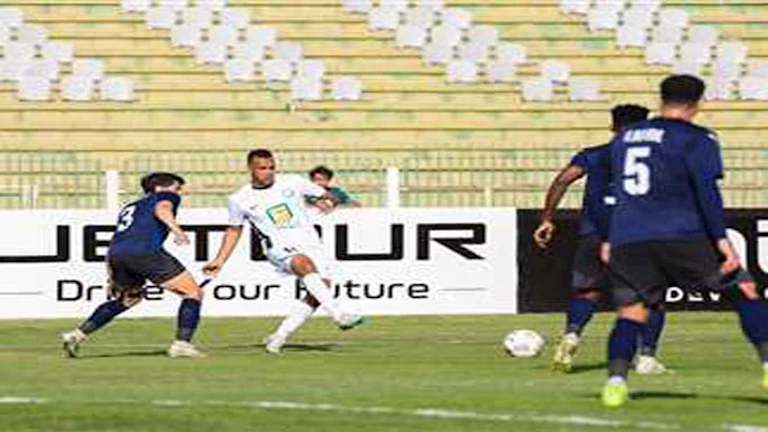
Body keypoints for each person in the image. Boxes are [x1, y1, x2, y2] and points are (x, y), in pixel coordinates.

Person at [600, 75, 768, 407]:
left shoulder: (625, 138)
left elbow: (612, 192)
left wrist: (608, 237)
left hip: (629, 238)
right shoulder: (697, 138)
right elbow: (706, 191)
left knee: (631, 312)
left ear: (661, 98)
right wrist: (721, 239)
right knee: (745, 290)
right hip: (681, 233)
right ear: (697, 103)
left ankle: (616, 382)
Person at [534, 104, 668, 374]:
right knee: (651, 297)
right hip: (638, 235)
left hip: (594, 233)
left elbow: (563, 180)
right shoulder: (656, 158)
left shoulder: (593, 154)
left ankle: (572, 335)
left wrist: (547, 218)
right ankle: (646, 357)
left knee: (588, 292)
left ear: (613, 126)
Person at [203, 149, 365, 354]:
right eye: (262, 168)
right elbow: (234, 230)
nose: (268, 172)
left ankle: (279, 336)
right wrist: (219, 260)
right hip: (278, 247)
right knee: (304, 264)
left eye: (271, 167)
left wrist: (329, 201)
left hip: (310, 241)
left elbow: (328, 194)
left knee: (319, 289)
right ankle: (339, 314)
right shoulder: (240, 199)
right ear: (250, 169)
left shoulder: (293, 182)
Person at [60, 172, 206, 358]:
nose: (179, 193)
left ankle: (76, 335)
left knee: (129, 298)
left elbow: (118, 239)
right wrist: (178, 231)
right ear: (159, 188)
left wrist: (111, 276)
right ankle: (182, 345)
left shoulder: (131, 207)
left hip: (117, 255)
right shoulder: (164, 196)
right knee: (193, 293)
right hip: (145, 252)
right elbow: (162, 208)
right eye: (176, 188)